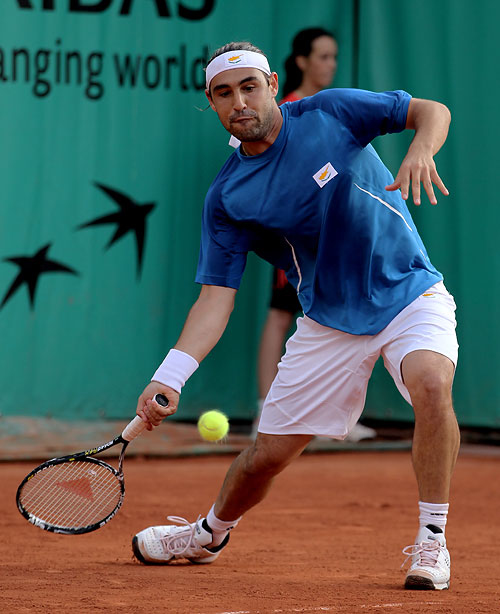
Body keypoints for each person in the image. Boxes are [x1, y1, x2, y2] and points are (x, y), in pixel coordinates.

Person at [131, 42, 459, 592]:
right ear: (211, 102)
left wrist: (421, 149)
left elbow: (431, 111)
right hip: (328, 320)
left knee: (431, 382)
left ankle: (432, 539)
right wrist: (171, 375)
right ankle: (208, 533)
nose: (239, 102)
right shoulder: (228, 197)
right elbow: (215, 297)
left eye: (249, 87)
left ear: (273, 86)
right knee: (266, 458)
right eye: (224, 93)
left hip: (409, 291)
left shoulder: (331, 111)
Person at [256, 27, 376, 442]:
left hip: (340, 239)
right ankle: (265, 410)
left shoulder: (331, 107)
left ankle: (336, 419)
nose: (331, 65)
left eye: (334, 57)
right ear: (302, 61)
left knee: (342, 323)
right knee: (281, 314)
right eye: (323, 56)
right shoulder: (282, 110)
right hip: (298, 239)